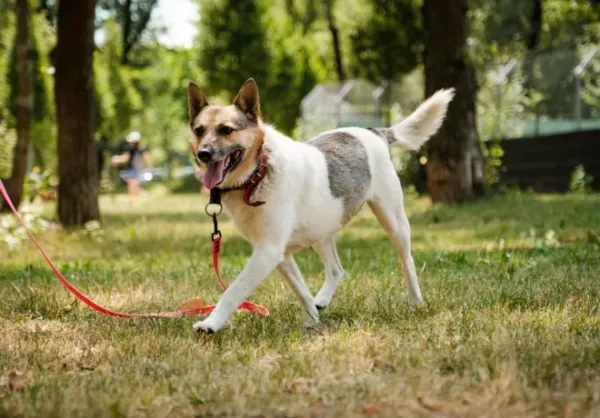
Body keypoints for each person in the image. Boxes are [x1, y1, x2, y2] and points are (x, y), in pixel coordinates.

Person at [110, 131, 150, 197]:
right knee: (134, 185)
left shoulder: (132, 149)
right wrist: (148, 167)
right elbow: (147, 158)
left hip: (133, 170)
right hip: (139, 169)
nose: (129, 143)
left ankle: (138, 198)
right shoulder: (141, 149)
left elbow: (125, 158)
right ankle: (140, 197)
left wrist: (117, 159)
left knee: (132, 186)